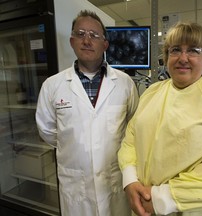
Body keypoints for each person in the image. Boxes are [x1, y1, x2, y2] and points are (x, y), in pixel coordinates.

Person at [118, 22, 202, 216]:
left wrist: (161, 199)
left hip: (196, 210)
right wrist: (130, 180)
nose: (182, 58)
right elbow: (130, 139)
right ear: (166, 57)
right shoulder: (152, 92)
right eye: (175, 50)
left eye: (193, 50)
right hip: (144, 205)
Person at [36, 10, 139, 216]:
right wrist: (75, 144)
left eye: (94, 35)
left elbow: (134, 127)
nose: (87, 40)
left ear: (105, 44)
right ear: (72, 41)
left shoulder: (125, 83)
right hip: (76, 186)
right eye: (81, 34)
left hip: (114, 182)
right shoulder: (53, 85)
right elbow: (47, 130)